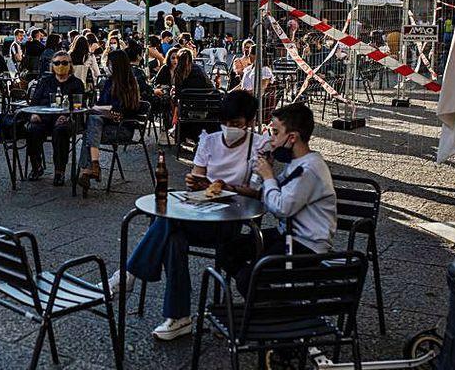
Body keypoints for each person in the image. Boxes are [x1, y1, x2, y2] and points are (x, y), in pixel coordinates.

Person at [108, 91, 269, 340]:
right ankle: (178, 317)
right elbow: (197, 178)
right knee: (174, 238)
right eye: (225, 123)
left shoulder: (259, 146)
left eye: (236, 124)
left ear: (248, 122)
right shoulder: (209, 141)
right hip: (199, 212)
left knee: (168, 223)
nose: (229, 129)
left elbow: (258, 191)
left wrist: (224, 187)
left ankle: (130, 278)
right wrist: (195, 182)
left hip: (231, 220)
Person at [221, 103, 337, 295]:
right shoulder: (296, 162)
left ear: (292, 137)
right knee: (228, 251)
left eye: (275, 133)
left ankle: (268, 302)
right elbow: (268, 192)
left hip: (306, 244)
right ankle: (267, 295)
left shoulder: (308, 170)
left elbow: (280, 207)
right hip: (287, 235)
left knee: (248, 278)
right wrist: (242, 183)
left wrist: (268, 176)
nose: (271, 140)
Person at [78, 50, 141, 193]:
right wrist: (101, 109)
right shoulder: (109, 82)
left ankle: (90, 168)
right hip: (105, 126)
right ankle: (92, 168)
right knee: (93, 124)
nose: (107, 66)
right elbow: (101, 105)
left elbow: (118, 112)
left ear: (117, 65)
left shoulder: (129, 84)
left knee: (90, 129)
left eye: (110, 63)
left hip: (121, 129)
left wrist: (100, 109)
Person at [26, 51, 84, 184]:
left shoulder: (76, 83)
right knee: (32, 129)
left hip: (67, 120)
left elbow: (79, 105)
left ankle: (59, 171)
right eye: (57, 63)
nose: (60, 65)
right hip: (44, 119)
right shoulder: (45, 81)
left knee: (60, 131)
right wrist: (35, 114)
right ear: (52, 65)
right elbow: (34, 102)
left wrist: (68, 116)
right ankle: (36, 166)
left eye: (64, 62)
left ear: (70, 65)